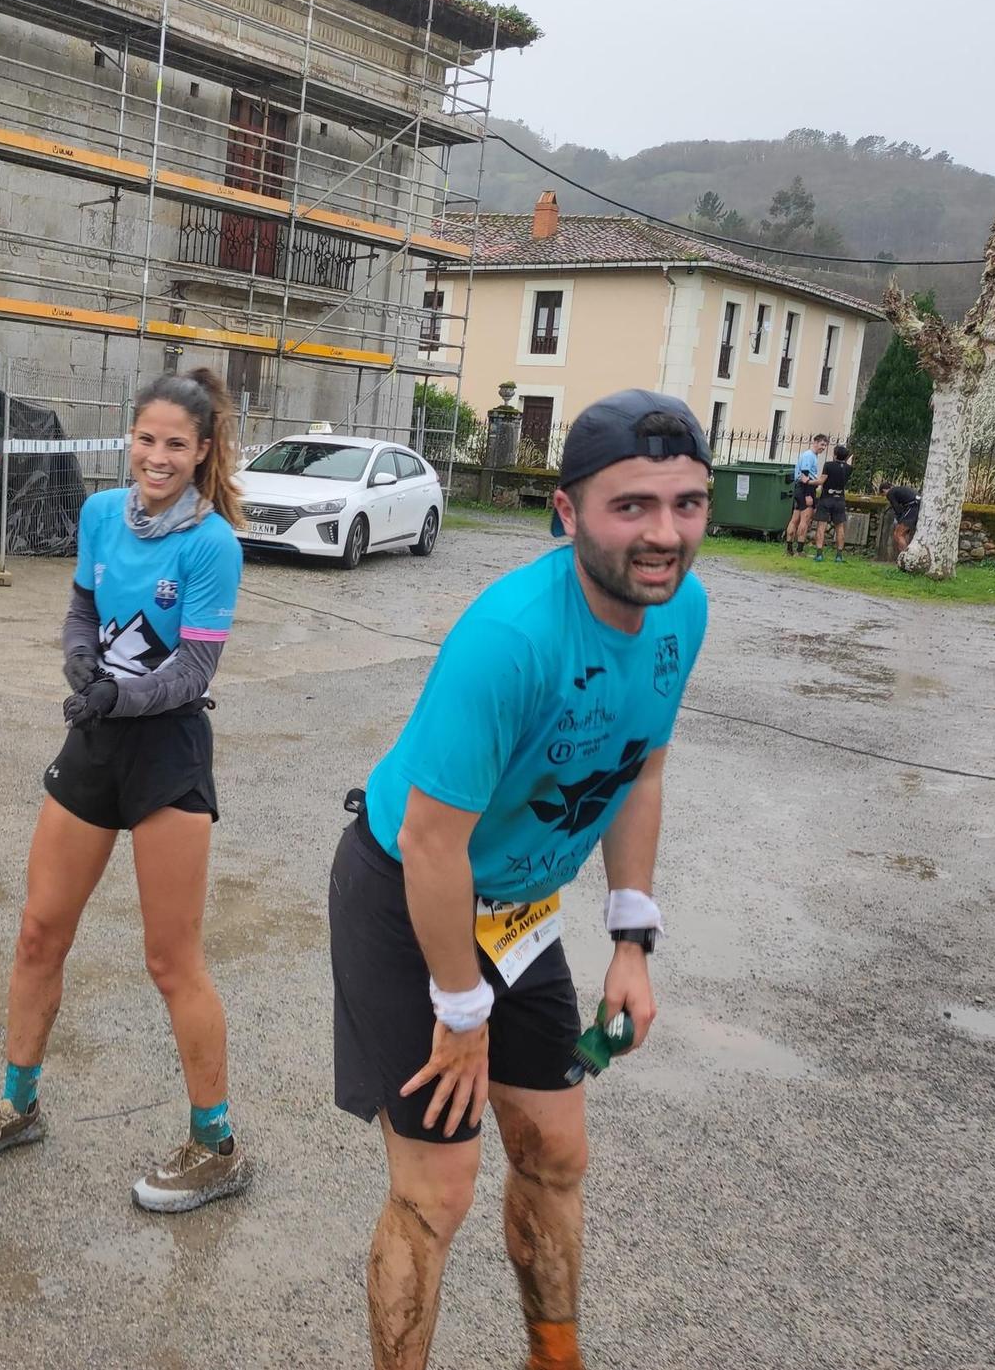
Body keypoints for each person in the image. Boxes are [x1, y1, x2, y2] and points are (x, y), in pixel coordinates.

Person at [329, 388, 711, 1370]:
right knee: (436, 1191)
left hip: (515, 913)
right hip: (407, 894)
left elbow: (640, 771)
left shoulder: (681, 613)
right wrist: (460, 1013)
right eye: (631, 505)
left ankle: (553, 1355)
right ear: (566, 510)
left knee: (553, 1154)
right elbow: (427, 844)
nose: (663, 534)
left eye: (686, 503)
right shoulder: (509, 640)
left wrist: (631, 937)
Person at [0, 367, 250, 1212]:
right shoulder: (99, 515)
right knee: (40, 930)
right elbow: (83, 609)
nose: (157, 456)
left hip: (167, 749)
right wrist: (80, 659)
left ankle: (216, 1144)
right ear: (130, 439)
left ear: (202, 451)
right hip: (97, 736)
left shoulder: (213, 544)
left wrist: (121, 691)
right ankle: (18, 1102)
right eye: (146, 439)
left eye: (175, 444)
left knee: (170, 958)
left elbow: (192, 669)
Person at [783, 433, 828, 555]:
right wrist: (809, 492)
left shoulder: (811, 455)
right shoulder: (809, 456)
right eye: (822, 444)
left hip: (799, 489)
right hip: (805, 489)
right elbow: (805, 477)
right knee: (805, 520)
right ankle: (799, 550)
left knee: (795, 519)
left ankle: (789, 549)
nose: (823, 448)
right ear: (815, 442)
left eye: (825, 445)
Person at [811, 443, 854, 562]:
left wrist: (808, 481)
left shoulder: (828, 465)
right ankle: (839, 555)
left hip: (826, 498)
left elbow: (821, 480)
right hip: (840, 499)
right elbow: (847, 464)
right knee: (840, 527)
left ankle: (819, 554)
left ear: (834, 455)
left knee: (821, 526)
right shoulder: (849, 469)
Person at [882, 480, 921, 558]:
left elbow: (897, 508)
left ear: (884, 490)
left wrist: (898, 519)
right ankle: (907, 555)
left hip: (912, 506)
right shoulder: (898, 490)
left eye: (883, 494)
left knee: (898, 534)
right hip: (917, 505)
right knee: (905, 533)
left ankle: (905, 557)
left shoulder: (890, 493)